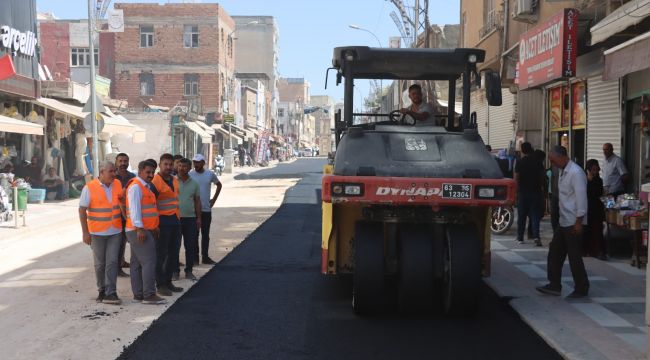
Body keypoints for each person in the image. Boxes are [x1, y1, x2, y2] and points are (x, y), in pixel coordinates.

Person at [537, 146, 590, 298]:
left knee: (574, 257)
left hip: (574, 222)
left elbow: (581, 200)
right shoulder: (562, 171)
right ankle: (554, 284)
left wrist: (579, 222)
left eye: (553, 160)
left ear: (562, 157)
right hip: (564, 220)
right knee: (555, 252)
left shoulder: (576, 173)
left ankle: (582, 288)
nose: (552, 164)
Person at [78, 161, 123, 305]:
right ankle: (102, 290)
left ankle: (111, 293)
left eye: (114, 171)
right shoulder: (89, 187)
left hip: (115, 230)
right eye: (111, 171)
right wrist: (85, 232)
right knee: (100, 264)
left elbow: (122, 204)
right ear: (102, 172)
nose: (114, 174)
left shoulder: (117, 184)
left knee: (112, 262)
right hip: (97, 232)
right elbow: (82, 210)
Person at [125, 160, 166, 305]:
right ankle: (149, 294)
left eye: (152, 172)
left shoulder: (145, 187)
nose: (150, 175)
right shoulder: (136, 187)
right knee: (149, 261)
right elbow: (135, 210)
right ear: (140, 170)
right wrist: (140, 229)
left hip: (142, 229)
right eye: (147, 172)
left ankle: (138, 295)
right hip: (139, 231)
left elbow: (147, 210)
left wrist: (153, 226)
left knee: (136, 263)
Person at [150, 153, 183, 296]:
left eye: (171, 164)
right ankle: (161, 284)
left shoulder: (175, 180)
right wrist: (155, 225)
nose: (169, 167)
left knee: (173, 254)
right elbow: (152, 205)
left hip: (175, 221)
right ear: (160, 165)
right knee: (161, 255)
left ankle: (168, 281)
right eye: (166, 164)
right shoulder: (155, 183)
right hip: (162, 223)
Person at [189, 153, 222, 265]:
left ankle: (205, 257)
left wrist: (213, 200)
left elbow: (219, 185)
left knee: (205, 234)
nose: (196, 164)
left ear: (203, 163)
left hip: (206, 209)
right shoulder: (190, 175)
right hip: (193, 210)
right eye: (194, 162)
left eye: (198, 162)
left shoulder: (210, 174)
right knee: (194, 235)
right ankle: (195, 258)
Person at [514, 142, 544, 246]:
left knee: (522, 216)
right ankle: (536, 237)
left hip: (523, 193)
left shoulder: (519, 162)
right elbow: (542, 176)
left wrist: (516, 192)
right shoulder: (538, 162)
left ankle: (520, 238)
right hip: (536, 192)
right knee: (535, 216)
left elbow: (516, 178)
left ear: (522, 150)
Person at [177, 158, 201, 280]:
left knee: (190, 246)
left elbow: (197, 202)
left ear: (189, 168)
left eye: (185, 166)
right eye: (180, 165)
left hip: (190, 219)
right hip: (175, 219)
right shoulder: (172, 182)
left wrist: (199, 218)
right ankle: (175, 271)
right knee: (174, 247)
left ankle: (189, 270)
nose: (182, 168)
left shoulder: (194, 183)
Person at [115, 153, 135, 277]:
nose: (123, 163)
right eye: (120, 161)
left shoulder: (132, 177)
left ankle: (121, 262)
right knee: (117, 242)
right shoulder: (112, 176)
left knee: (124, 240)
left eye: (125, 161)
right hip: (114, 214)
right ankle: (117, 267)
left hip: (128, 214)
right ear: (116, 162)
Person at [585, 159, 606, 260]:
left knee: (597, 230)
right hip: (587, 208)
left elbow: (597, 193)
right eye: (593, 170)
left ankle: (600, 252)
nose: (595, 172)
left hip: (596, 208)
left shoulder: (599, 180)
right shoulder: (583, 180)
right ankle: (588, 250)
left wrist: (592, 181)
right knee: (587, 230)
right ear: (588, 170)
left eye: (596, 169)